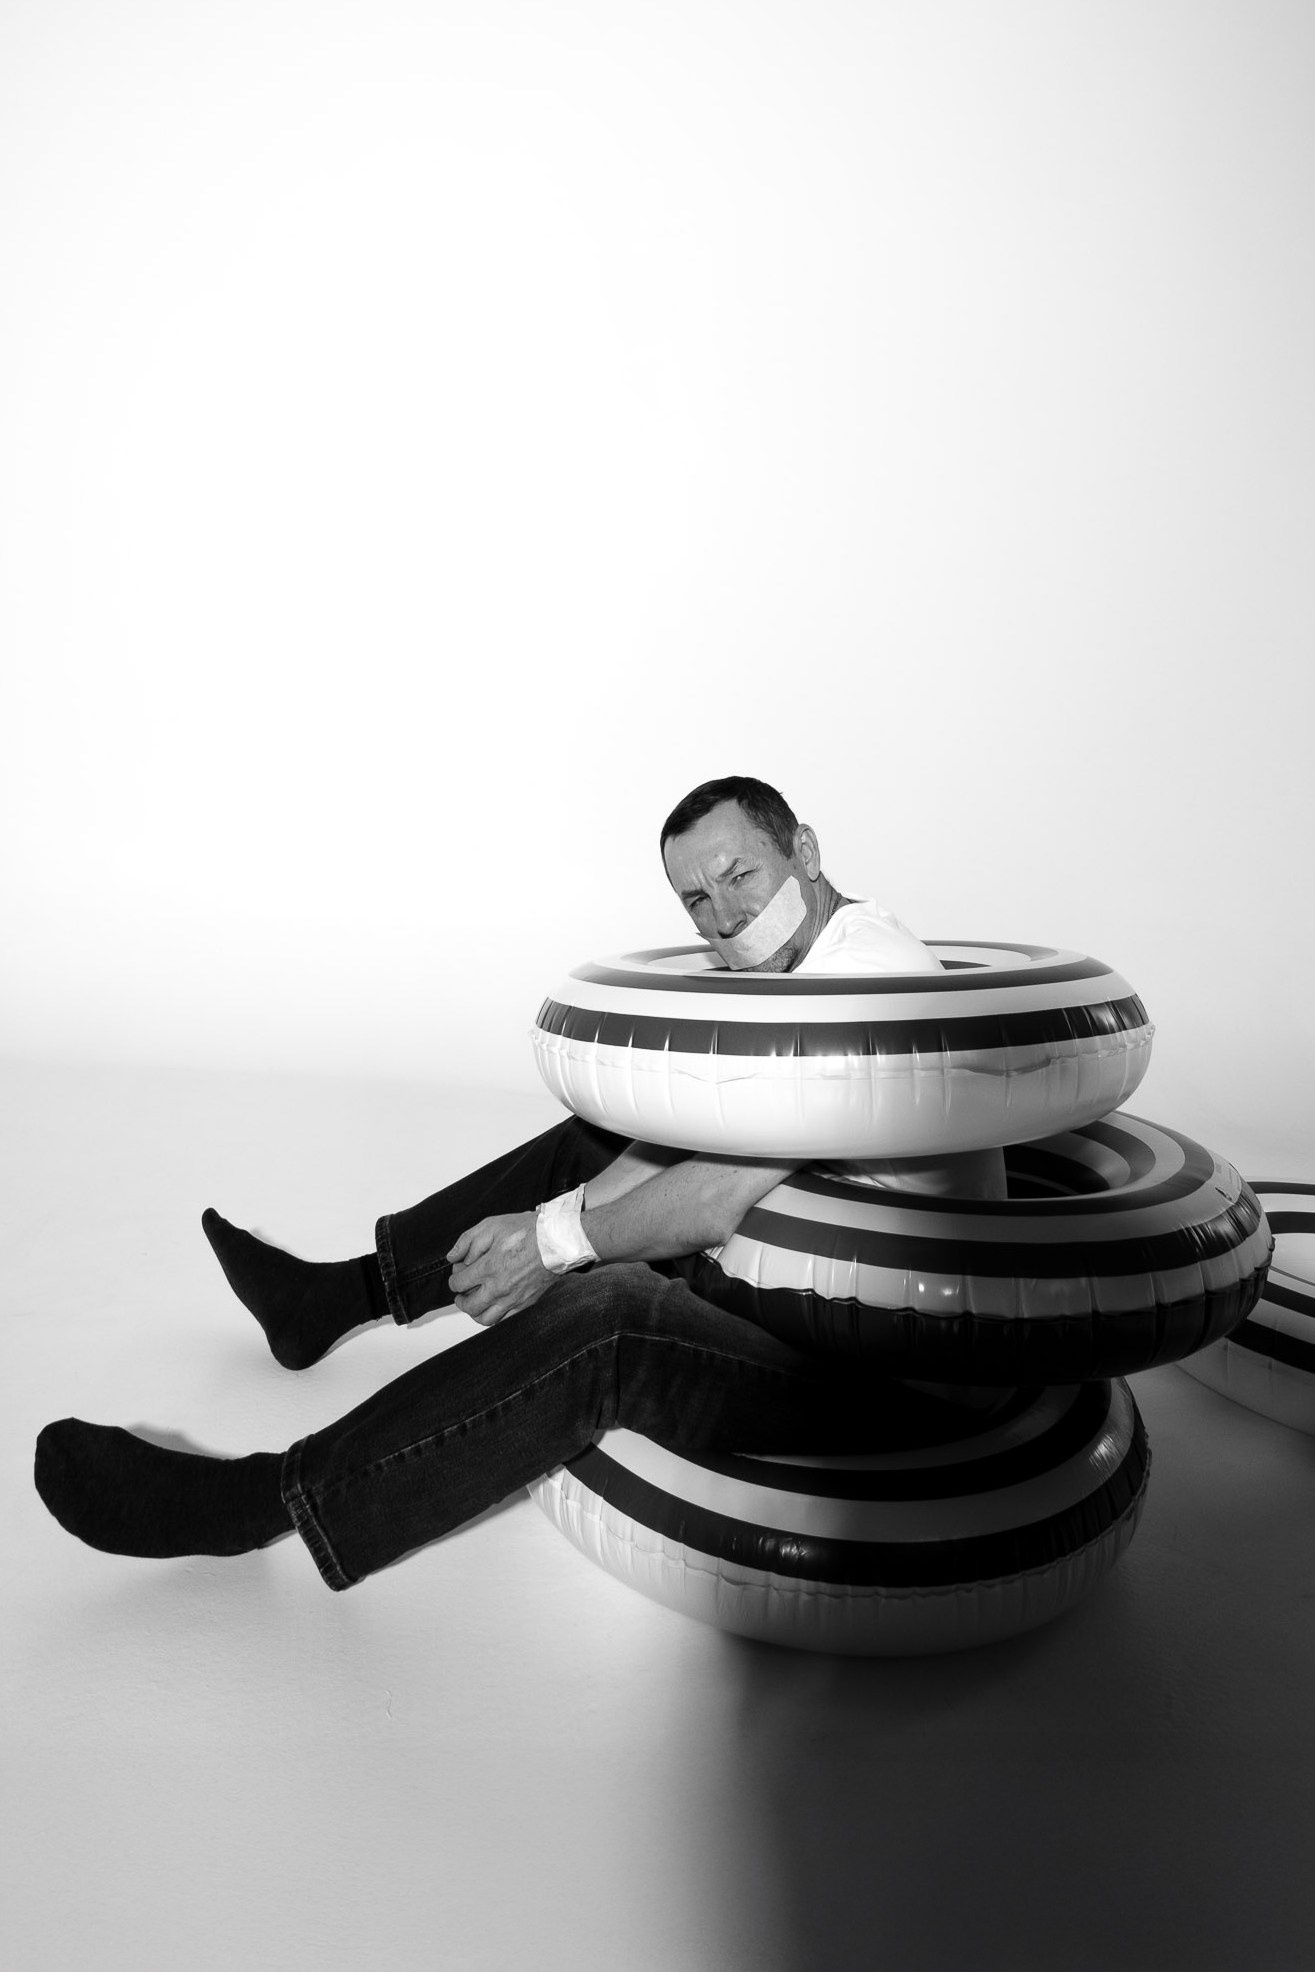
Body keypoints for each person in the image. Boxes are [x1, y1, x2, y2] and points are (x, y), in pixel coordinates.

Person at [34, 776, 1003, 1592]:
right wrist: (543, 1225)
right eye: (695, 900)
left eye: (739, 874)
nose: (723, 917)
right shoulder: (805, 966)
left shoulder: (865, 982)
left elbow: (713, 1192)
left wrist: (550, 1247)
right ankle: (332, 1299)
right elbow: (684, 1140)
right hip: (804, 1303)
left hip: (888, 1376)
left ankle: (260, 1502)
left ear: (806, 850)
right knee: (597, 1140)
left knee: (612, 1319)